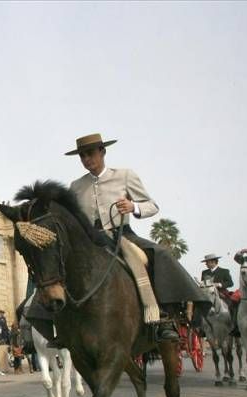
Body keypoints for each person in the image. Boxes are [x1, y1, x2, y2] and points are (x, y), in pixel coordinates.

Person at [66, 133, 209, 340]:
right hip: (89, 240)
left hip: (120, 235)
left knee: (158, 254)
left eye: (90, 153)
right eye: (82, 156)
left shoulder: (124, 175)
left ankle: (163, 317)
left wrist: (133, 206)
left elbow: (152, 206)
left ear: (102, 152)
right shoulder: (75, 186)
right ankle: (56, 323)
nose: (86, 159)